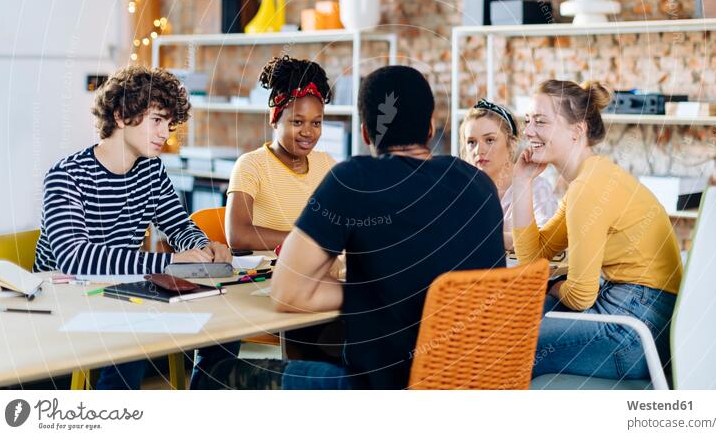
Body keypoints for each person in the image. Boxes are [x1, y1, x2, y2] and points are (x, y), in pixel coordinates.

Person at [196, 65, 506, 389]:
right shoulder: (480, 184)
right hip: (477, 387)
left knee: (214, 372)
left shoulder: (354, 179)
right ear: (430, 128)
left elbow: (287, 293)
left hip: (383, 393)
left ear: (365, 133)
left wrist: (371, 291)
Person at [33, 66, 237, 389]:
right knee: (136, 336)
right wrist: (168, 263)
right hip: (66, 300)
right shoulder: (66, 176)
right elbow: (75, 259)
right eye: (157, 120)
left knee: (226, 324)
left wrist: (203, 248)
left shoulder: (151, 171)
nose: (164, 133)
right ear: (119, 115)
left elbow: (179, 225)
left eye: (169, 124)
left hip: (118, 295)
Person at [511, 79, 683, 381]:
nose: (527, 132)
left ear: (577, 130)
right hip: (647, 316)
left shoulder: (588, 188)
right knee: (517, 320)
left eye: (541, 121)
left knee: (507, 347)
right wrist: (521, 181)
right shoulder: (590, 179)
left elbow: (580, 295)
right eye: (527, 121)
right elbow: (533, 259)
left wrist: (552, 287)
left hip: (637, 330)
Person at [225, 55, 336, 251]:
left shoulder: (327, 164)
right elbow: (238, 235)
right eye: (297, 122)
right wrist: (306, 241)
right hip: (268, 277)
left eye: (316, 123)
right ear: (274, 118)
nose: (308, 132)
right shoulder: (251, 165)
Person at [460, 98, 557, 251]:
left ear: (511, 143)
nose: (479, 151)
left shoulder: (536, 187)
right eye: (472, 142)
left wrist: (482, 236)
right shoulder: (461, 191)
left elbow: (546, 242)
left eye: (490, 140)